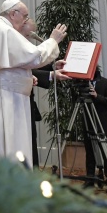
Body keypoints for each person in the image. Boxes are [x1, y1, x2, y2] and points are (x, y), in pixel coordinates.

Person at [0, 0, 69, 163]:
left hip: (2, 94)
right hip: (0, 97)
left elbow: (12, 64)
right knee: (2, 144)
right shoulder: (3, 30)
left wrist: (30, 78)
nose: (26, 20)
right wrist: (53, 40)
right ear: (13, 13)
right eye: (25, 15)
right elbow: (33, 57)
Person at [18, 19, 68, 168]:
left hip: (27, 104)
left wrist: (52, 65)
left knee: (31, 142)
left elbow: (30, 66)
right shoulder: (13, 43)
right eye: (29, 34)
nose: (31, 36)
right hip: (18, 106)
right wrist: (51, 74)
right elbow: (23, 70)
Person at [80, 66, 107, 191]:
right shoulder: (83, 83)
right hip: (88, 120)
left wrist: (96, 95)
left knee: (106, 152)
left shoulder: (106, 83)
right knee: (90, 151)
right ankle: (90, 178)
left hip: (102, 122)